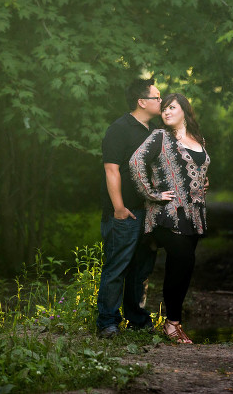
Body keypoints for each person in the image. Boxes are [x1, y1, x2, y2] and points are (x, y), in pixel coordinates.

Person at [129, 93, 209, 344]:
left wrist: (203, 182)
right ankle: (172, 325)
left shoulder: (199, 139)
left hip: (193, 214)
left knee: (183, 266)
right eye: (164, 108)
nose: (166, 112)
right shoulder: (160, 136)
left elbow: (198, 169)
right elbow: (136, 161)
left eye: (172, 107)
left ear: (185, 110)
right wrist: (150, 193)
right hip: (166, 214)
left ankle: (173, 323)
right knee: (183, 258)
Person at [96, 78, 163, 338]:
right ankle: (107, 323)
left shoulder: (154, 130)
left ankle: (136, 319)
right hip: (125, 212)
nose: (161, 101)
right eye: (157, 97)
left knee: (141, 268)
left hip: (149, 212)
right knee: (117, 266)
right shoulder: (119, 129)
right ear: (141, 101)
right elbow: (111, 170)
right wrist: (119, 208)